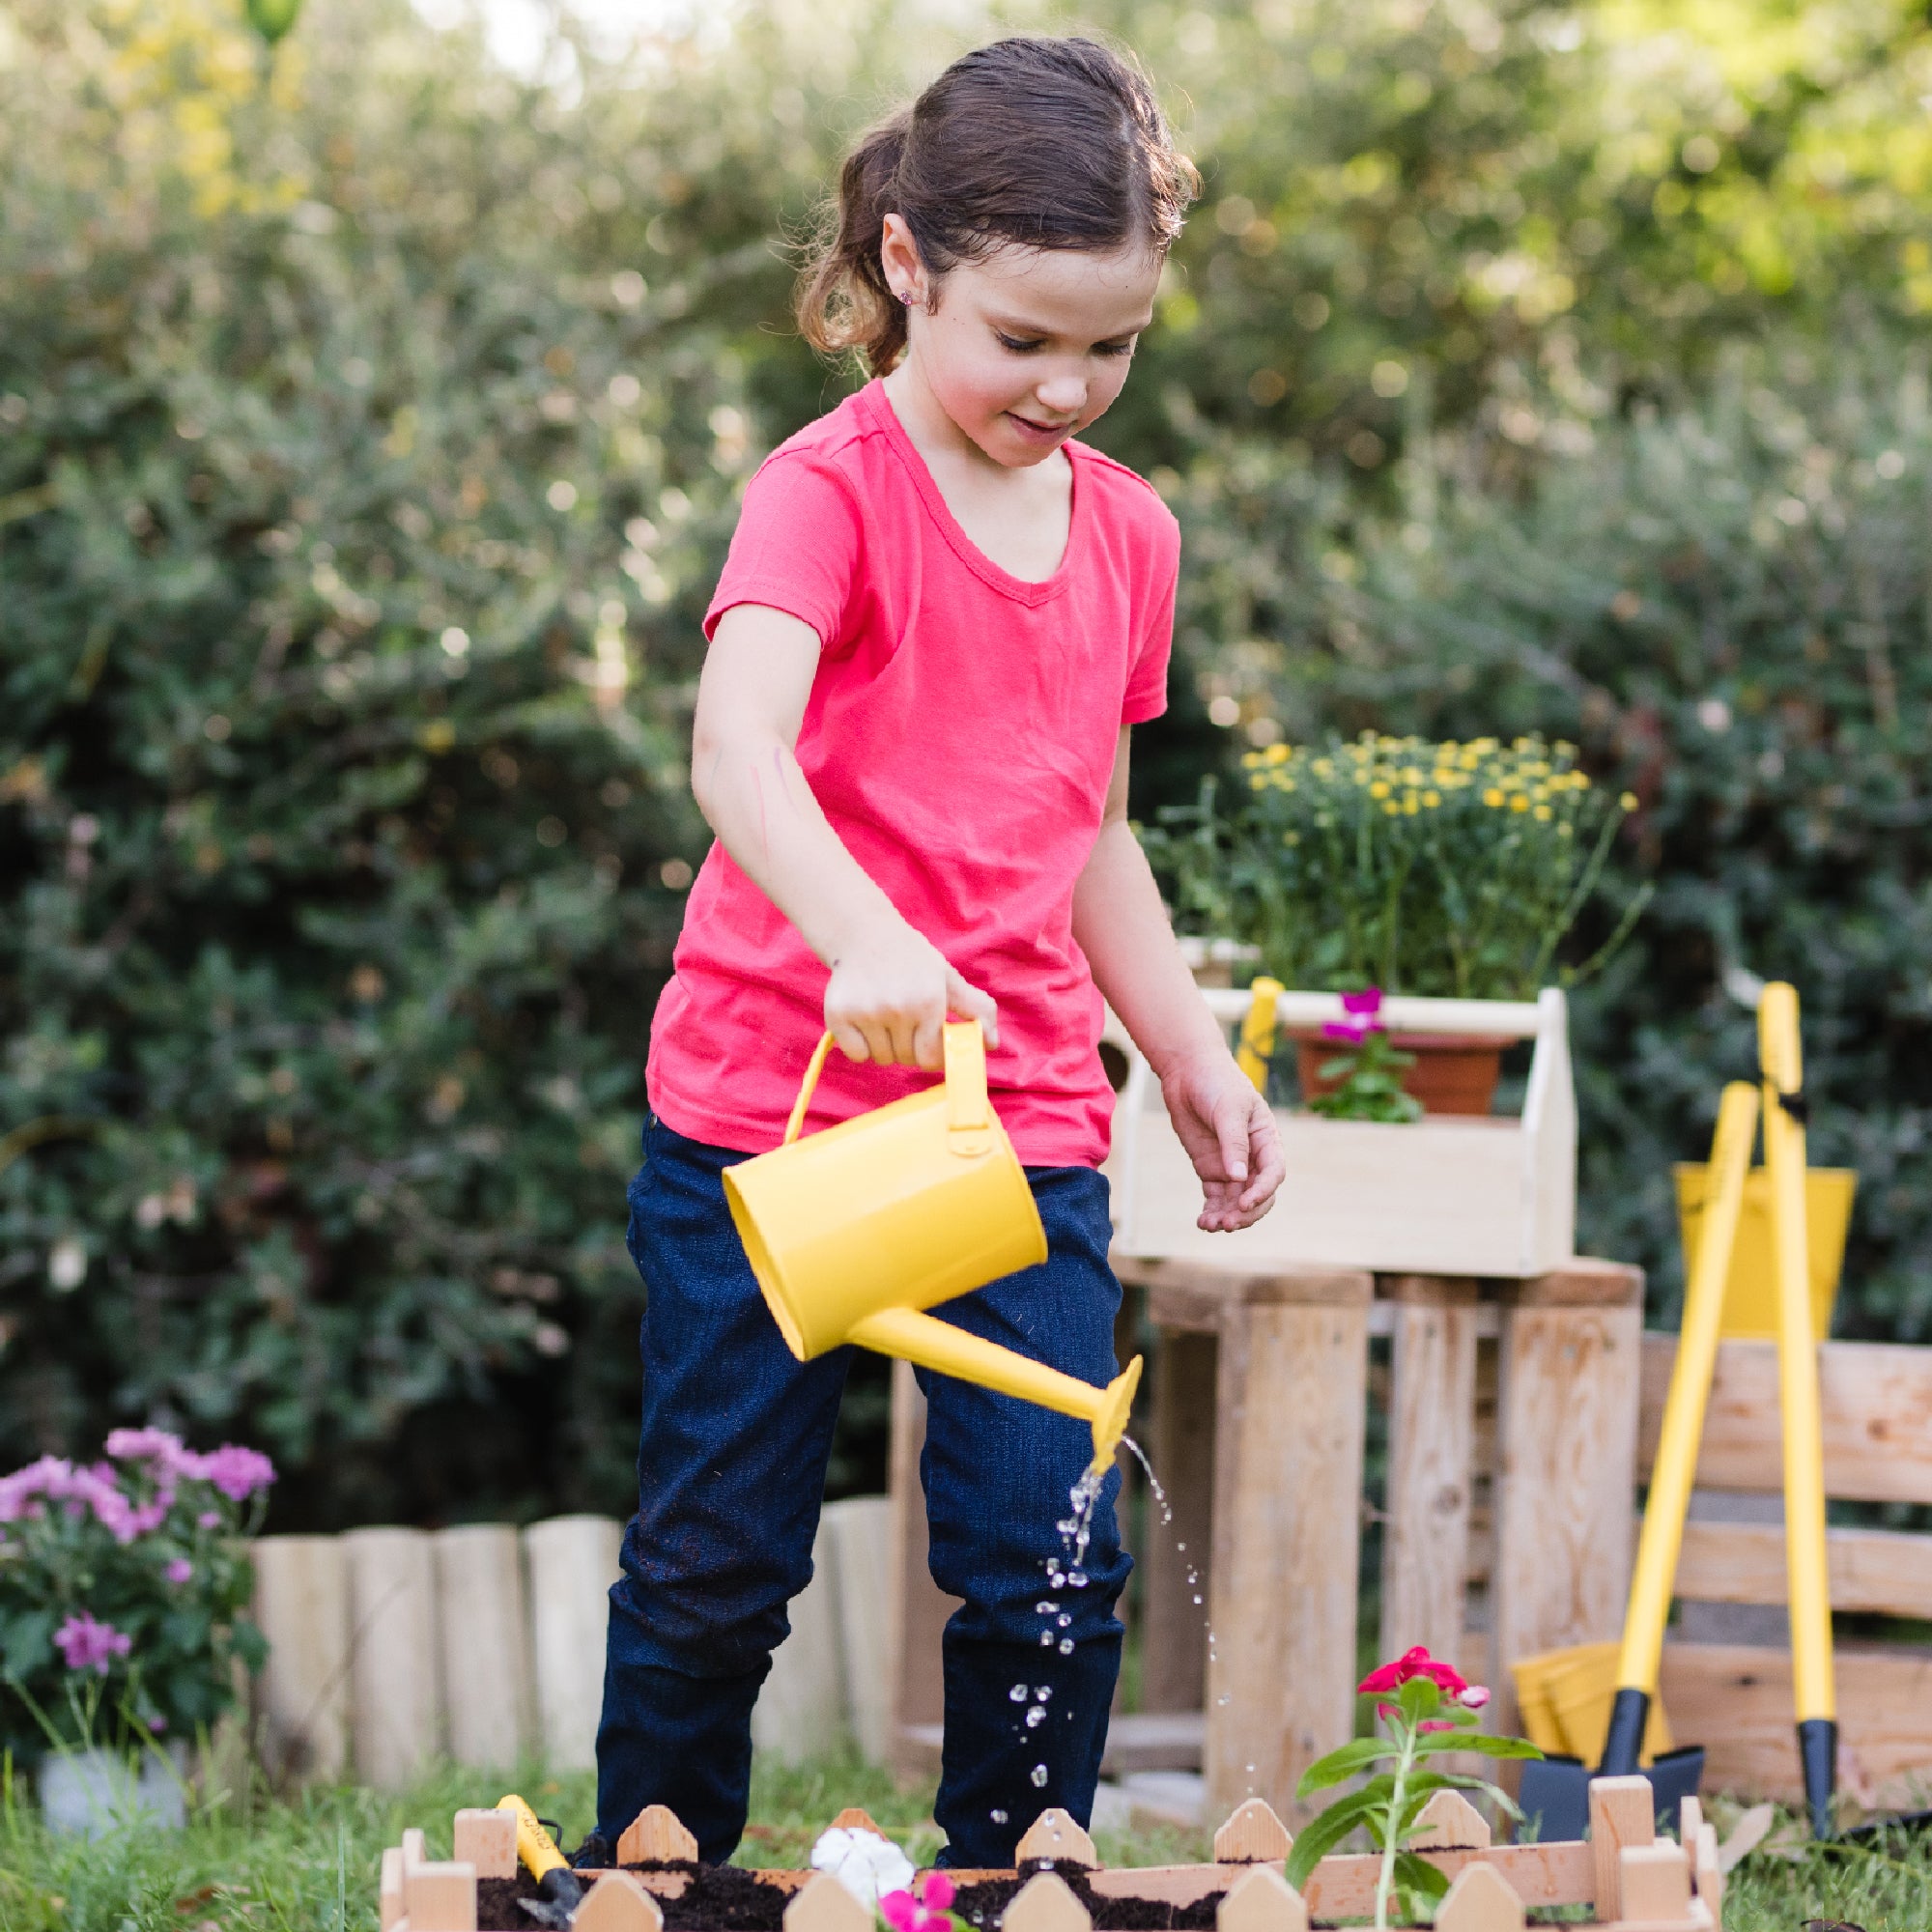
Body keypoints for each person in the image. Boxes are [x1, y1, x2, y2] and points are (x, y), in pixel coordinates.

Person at [593, 34, 1285, 1869]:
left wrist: (1192, 1051)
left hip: (1019, 1114)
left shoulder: (1130, 535)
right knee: (721, 1548)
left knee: (1041, 1548)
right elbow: (736, 748)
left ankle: (1018, 1880)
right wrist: (864, 938)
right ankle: (653, 1877)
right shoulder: (827, 492)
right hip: (773, 1106)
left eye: (1113, 344)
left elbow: (1093, 833)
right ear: (907, 268)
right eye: (1024, 338)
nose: (1069, 387)